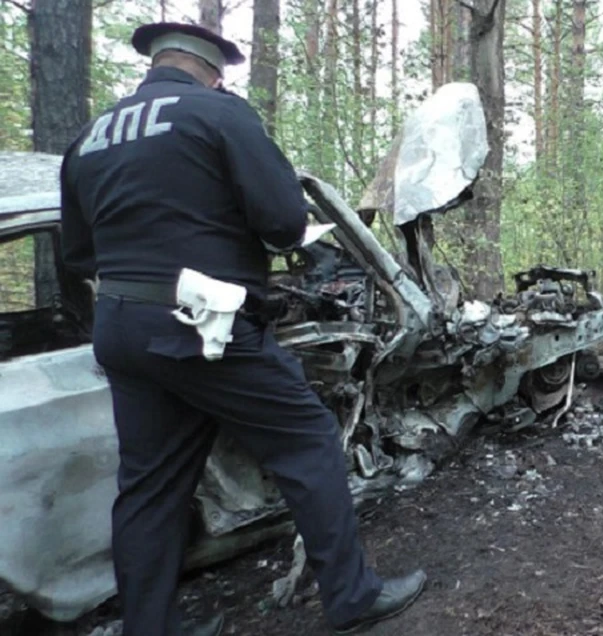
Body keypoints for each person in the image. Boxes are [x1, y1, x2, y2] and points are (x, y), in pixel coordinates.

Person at [59, 22, 426, 636]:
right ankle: (352, 597)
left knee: (148, 485)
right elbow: (284, 222)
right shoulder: (219, 115)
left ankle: (149, 628)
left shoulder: (91, 136)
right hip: (198, 326)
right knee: (308, 440)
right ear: (213, 70)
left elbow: (77, 253)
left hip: (120, 325)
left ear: (156, 64)